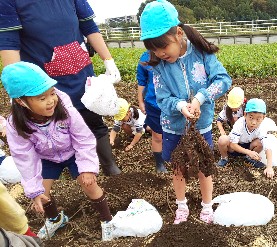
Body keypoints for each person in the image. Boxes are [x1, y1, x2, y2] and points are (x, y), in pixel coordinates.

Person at [0, 0, 121, 176]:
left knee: (93, 119)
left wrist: (108, 60)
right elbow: (9, 43)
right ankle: (69, 171)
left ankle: (109, 166)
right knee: (56, 127)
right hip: (44, 83)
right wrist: (16, 86)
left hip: (80, 71)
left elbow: (89, 26)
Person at [140, 0, 232, 224]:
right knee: (178, 167)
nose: (159, 53)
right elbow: (162, 98)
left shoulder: (201, 54)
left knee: (204, 168)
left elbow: (223, 80)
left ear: (178, 33)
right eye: (153, 49)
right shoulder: (159, 66)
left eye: (163, 47)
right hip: (173, 127)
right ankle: (181, 206)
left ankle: (207, 205)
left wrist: (200, 98)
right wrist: (181, 106)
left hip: (201, 127)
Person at [1, 62, 114, 240]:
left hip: (73, 153)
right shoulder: (17, 125)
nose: (51, 100)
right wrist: (33, 189)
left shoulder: (64, 109)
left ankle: (108, 220)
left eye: (52, 93)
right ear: (20, 101)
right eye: (41, 98)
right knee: (42, 193)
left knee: (89, 184)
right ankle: (56, 218)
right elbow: (24, 157)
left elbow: (83, 138)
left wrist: (86, 167)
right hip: (46, 158)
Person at [217, 98, 274, 178]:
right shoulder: (240, 123)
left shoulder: (262, 127)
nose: (254, 122)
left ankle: (249, 159)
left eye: (258, 119)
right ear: (245, 114)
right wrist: (249, 152)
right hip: (234, 148)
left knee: (260, 142)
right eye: (251, 117)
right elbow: (233, 144)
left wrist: (269, 167)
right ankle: (224, 158)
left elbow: (267, 147)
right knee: (223, 139)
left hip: (248, 146)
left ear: (263, 117)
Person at [137, 50, 167, 173]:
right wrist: (140, 101)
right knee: (157, 135)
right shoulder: (145, 58)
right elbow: (141, 81)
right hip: (154, 103)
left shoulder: (174, 54)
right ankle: (159, 163)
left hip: (175, 103)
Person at [217, 87, 246, 167]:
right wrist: (222, 132)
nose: (233, 108)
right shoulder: (227, 109)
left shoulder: (247, 108)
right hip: (235, 139)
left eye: (235, 106)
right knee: (223, 140)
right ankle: (224, 158)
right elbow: (219, 120)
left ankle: (248, 157)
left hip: (247, 139)